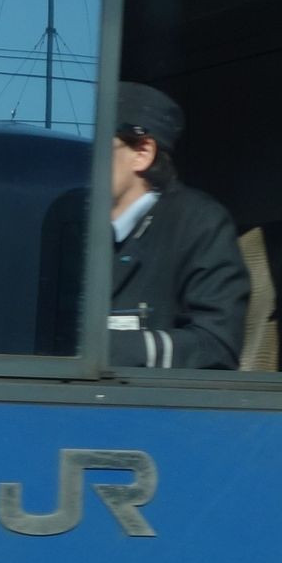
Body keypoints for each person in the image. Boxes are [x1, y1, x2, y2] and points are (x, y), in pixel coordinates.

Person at [106, 82, 251, 370]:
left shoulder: (200, 223)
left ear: (142, 153)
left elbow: (216, 345)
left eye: (94, 146)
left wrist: (94, 351)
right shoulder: (70, 227)